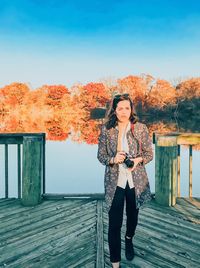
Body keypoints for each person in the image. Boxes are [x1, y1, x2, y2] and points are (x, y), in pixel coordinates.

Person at [97, 93, 153, 268]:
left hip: (136, 181)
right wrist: (114, 159)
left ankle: (129, 239)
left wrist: (136, 161)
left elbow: (149, 154)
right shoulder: (107, 129)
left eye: (126, 108)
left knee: (132, 217)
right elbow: (101, 156)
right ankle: (115, 264)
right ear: (114, 110)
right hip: (115, 182)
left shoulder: (141, 128)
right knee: (114, 223)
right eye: (120, 108)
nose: (123, 111)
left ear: (131, 110)